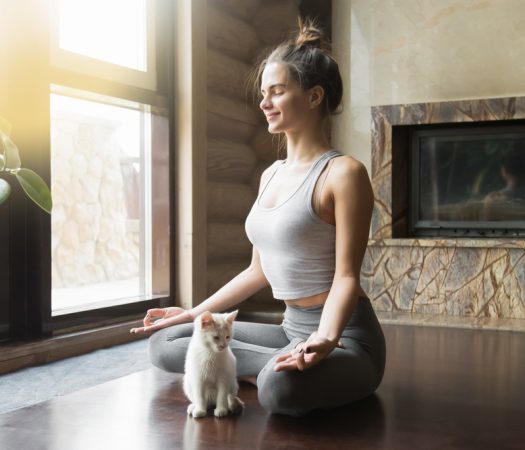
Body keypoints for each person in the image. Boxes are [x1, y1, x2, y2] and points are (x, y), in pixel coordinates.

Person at [131, 19, 386, 417]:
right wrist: (195, 312)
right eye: (263, 93)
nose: (265, 103)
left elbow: (347, 276)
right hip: (289, 329)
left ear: (314, 96)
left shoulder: (344, 174)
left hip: (346, 338)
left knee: (277, 389)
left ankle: (268, 372)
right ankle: (268, 366)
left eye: (278, 92)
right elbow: (257, 271)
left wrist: (325, 337)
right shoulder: (271, 174)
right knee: (167, 342)